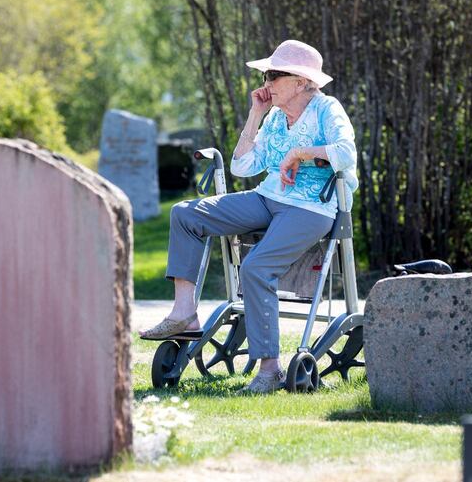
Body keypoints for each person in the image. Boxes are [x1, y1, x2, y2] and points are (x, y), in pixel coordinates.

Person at [139, 40, 358, 393]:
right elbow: (242, 165)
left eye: (274, 74)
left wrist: (299, 154)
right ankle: (185, 313)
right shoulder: (273, 117)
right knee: (185, 214)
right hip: (268, 197)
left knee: (255, 267)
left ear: (301, 81)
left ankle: (269, 370)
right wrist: (255, 114)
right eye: (265, 74)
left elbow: (346, 154)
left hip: (311, 208)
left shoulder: (326, 109)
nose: (266, 81)